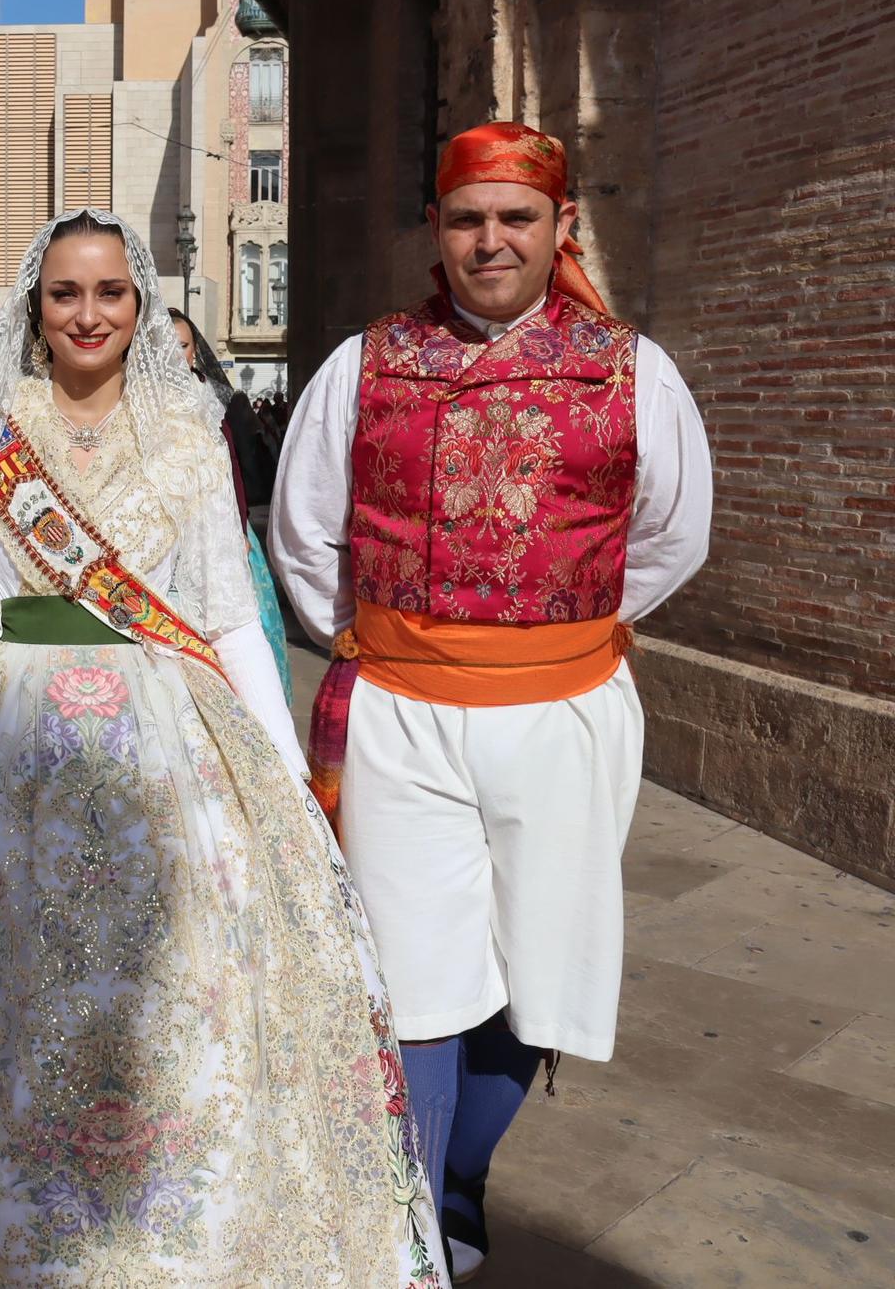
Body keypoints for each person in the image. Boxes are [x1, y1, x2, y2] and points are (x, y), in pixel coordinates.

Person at [0, 210, 446, 1285]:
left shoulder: (184, 427)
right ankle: (6, 1216)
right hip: (3, 741)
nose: (87, 313)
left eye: (108, 291)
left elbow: (223, 611)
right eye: (64, 293)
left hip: (166, 732)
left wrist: (287, 776)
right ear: (34, 305)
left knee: (171, 988)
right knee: (6, 995)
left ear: (138, 303)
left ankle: (165, 1225)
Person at [268, 121, 712, 1281]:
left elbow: (670, 535)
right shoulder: (365, 364)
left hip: (563, 712)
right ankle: (408, 1216)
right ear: (436, 228)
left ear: (558, 227)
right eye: (466, 218)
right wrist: (383, 643)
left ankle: (462, 1175)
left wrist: (556, 638)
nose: (489, 240)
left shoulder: (629, 368)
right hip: (399, 713)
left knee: (531, 971)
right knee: (411, 973)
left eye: (514, 217)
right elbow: (302, 528)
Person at [168, 306, 294, 703]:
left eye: (185, 345)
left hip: (224, 526)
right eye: (167, 346)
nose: (177, 354)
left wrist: (239, 526)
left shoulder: (213, 395)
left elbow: (232, 464)